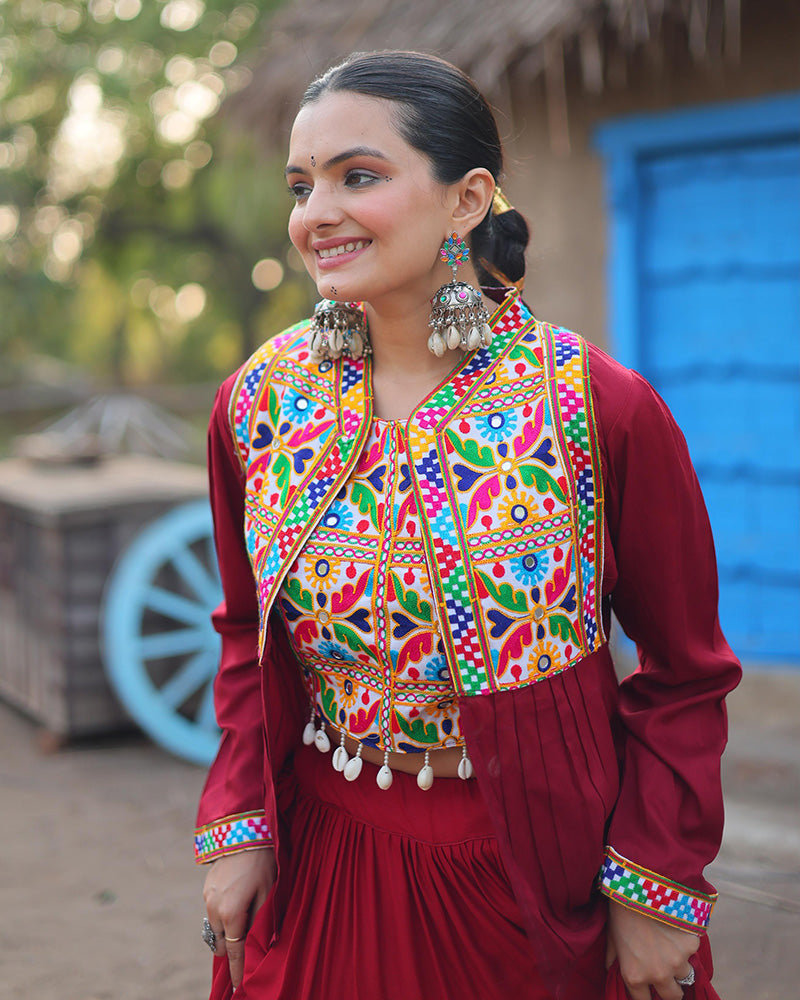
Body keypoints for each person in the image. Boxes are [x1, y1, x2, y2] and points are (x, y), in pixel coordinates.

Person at [194, 50, 741, 1000]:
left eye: (356, 176)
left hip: (538, 877)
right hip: (326, 863)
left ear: (467, 199)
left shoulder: (593, 408)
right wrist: (239, 822)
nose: (312, 214)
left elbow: (686, 671)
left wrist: (656, 886)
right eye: (300, 184)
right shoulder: (259, 405)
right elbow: (246, 633)